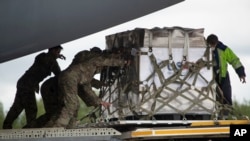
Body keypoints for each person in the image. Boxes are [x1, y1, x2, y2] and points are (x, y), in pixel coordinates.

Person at [44, 47, 129, 128]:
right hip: (70, 78)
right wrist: (124, 62)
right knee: (72, 104)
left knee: (72, 105)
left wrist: (100, 101)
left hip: (66, 77)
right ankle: (57, 127)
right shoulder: (94, 60)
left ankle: (67, 126)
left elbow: (87, 89)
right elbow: (106, 61)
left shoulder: (86, 70)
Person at [3, 45, 65, 129]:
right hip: (28, 85)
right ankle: (29, 129)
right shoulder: (50, 60)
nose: (58, 54)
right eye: (58, 52)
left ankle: (7, 125)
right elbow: (59, 75)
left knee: (18, 106)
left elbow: (47, 62)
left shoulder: (42, 56)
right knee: (31, 109)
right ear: (53, 51)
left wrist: (56, 57)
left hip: (23, 83)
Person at [206, 34, 246, 108]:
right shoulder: (204, 49)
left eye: (213, 44)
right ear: (207, 43)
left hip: (223, 76)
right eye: (211, 45)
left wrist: (241, 74)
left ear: (217, 42)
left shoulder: (223, 49)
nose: (212, 46)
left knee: (226, 95)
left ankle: (226, 113)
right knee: (211, 96)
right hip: (210, 78)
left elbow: (234, 61)